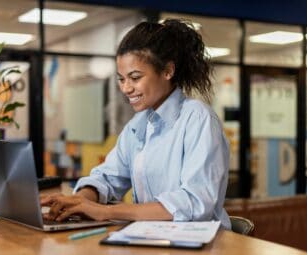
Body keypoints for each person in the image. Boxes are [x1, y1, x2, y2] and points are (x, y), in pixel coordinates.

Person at [41, 19, 231, 229]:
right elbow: (108, 177)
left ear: (168, 71)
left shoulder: (198, 118)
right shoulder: (138, 124)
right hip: (153, 238)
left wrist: (105, 212)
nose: (126, 88)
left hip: (202, 244)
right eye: (121, 79)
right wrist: (81, 200)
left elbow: (194, 203)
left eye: (135, 77)